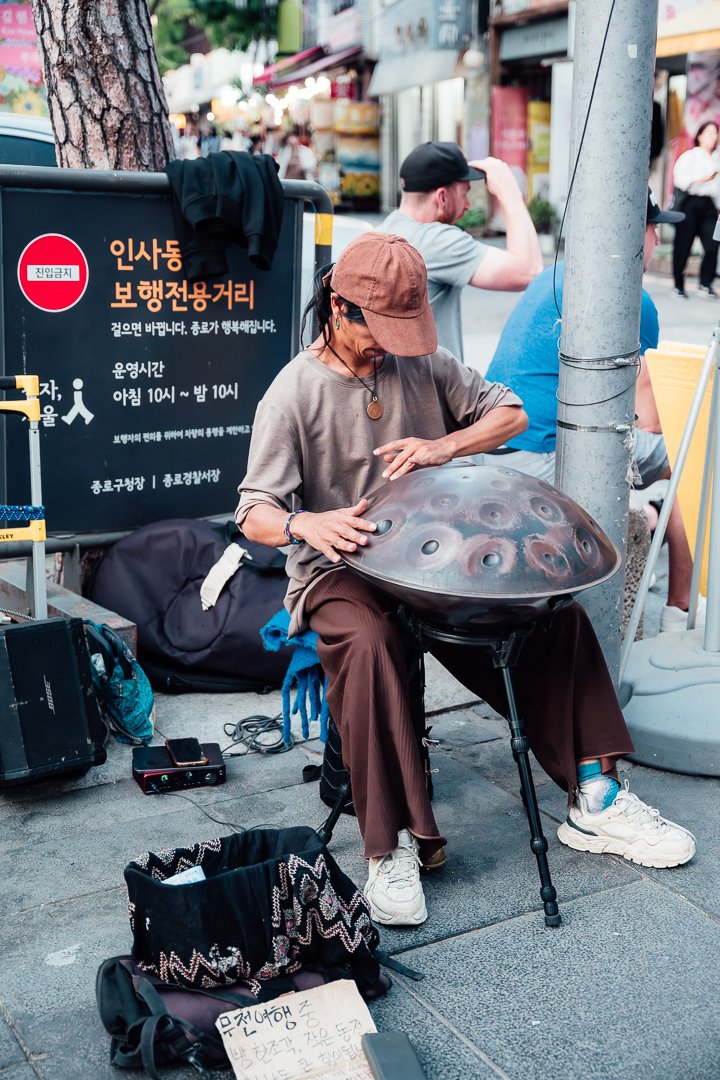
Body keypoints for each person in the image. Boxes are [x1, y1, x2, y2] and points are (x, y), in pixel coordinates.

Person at [235, 232, 695, 928]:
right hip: (344, 565)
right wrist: (309, 525)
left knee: (554, 616)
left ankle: (595, 796)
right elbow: (253, 511)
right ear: (339, 308)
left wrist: (442, 445)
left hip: (437, 562)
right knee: (370, 641)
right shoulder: (293, 393)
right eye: (379, 330)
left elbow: (510, 413)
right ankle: (387, 850)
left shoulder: (423, 363)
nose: (392, 345)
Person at [483, 189, 705, 633]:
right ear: (629, 234)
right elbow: (653, 420)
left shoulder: (554, 275)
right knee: (689, 452)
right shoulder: (632, 300)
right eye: (652, 228)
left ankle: (653, 519)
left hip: (495, 446)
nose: (658, 241)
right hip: (545, 455)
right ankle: (679, 608)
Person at [379, 141, 543, 362]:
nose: (468, 205)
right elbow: (529, 271)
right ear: (442, 198)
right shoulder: (435, 241)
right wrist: (509, 191)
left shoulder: (384, 231)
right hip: (429, 392)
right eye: (465, 194)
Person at [672, 120, 720, 298]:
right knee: (683, 245)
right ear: (700, 135)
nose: (713, 137)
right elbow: (679, 179)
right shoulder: (690, 156)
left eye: (715, 133)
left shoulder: (717, 158)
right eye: (709, 133)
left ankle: (705, 283)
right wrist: (703, 179)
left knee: (714, 243)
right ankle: (678, 285)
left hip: (710, 207)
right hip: (690, 203)